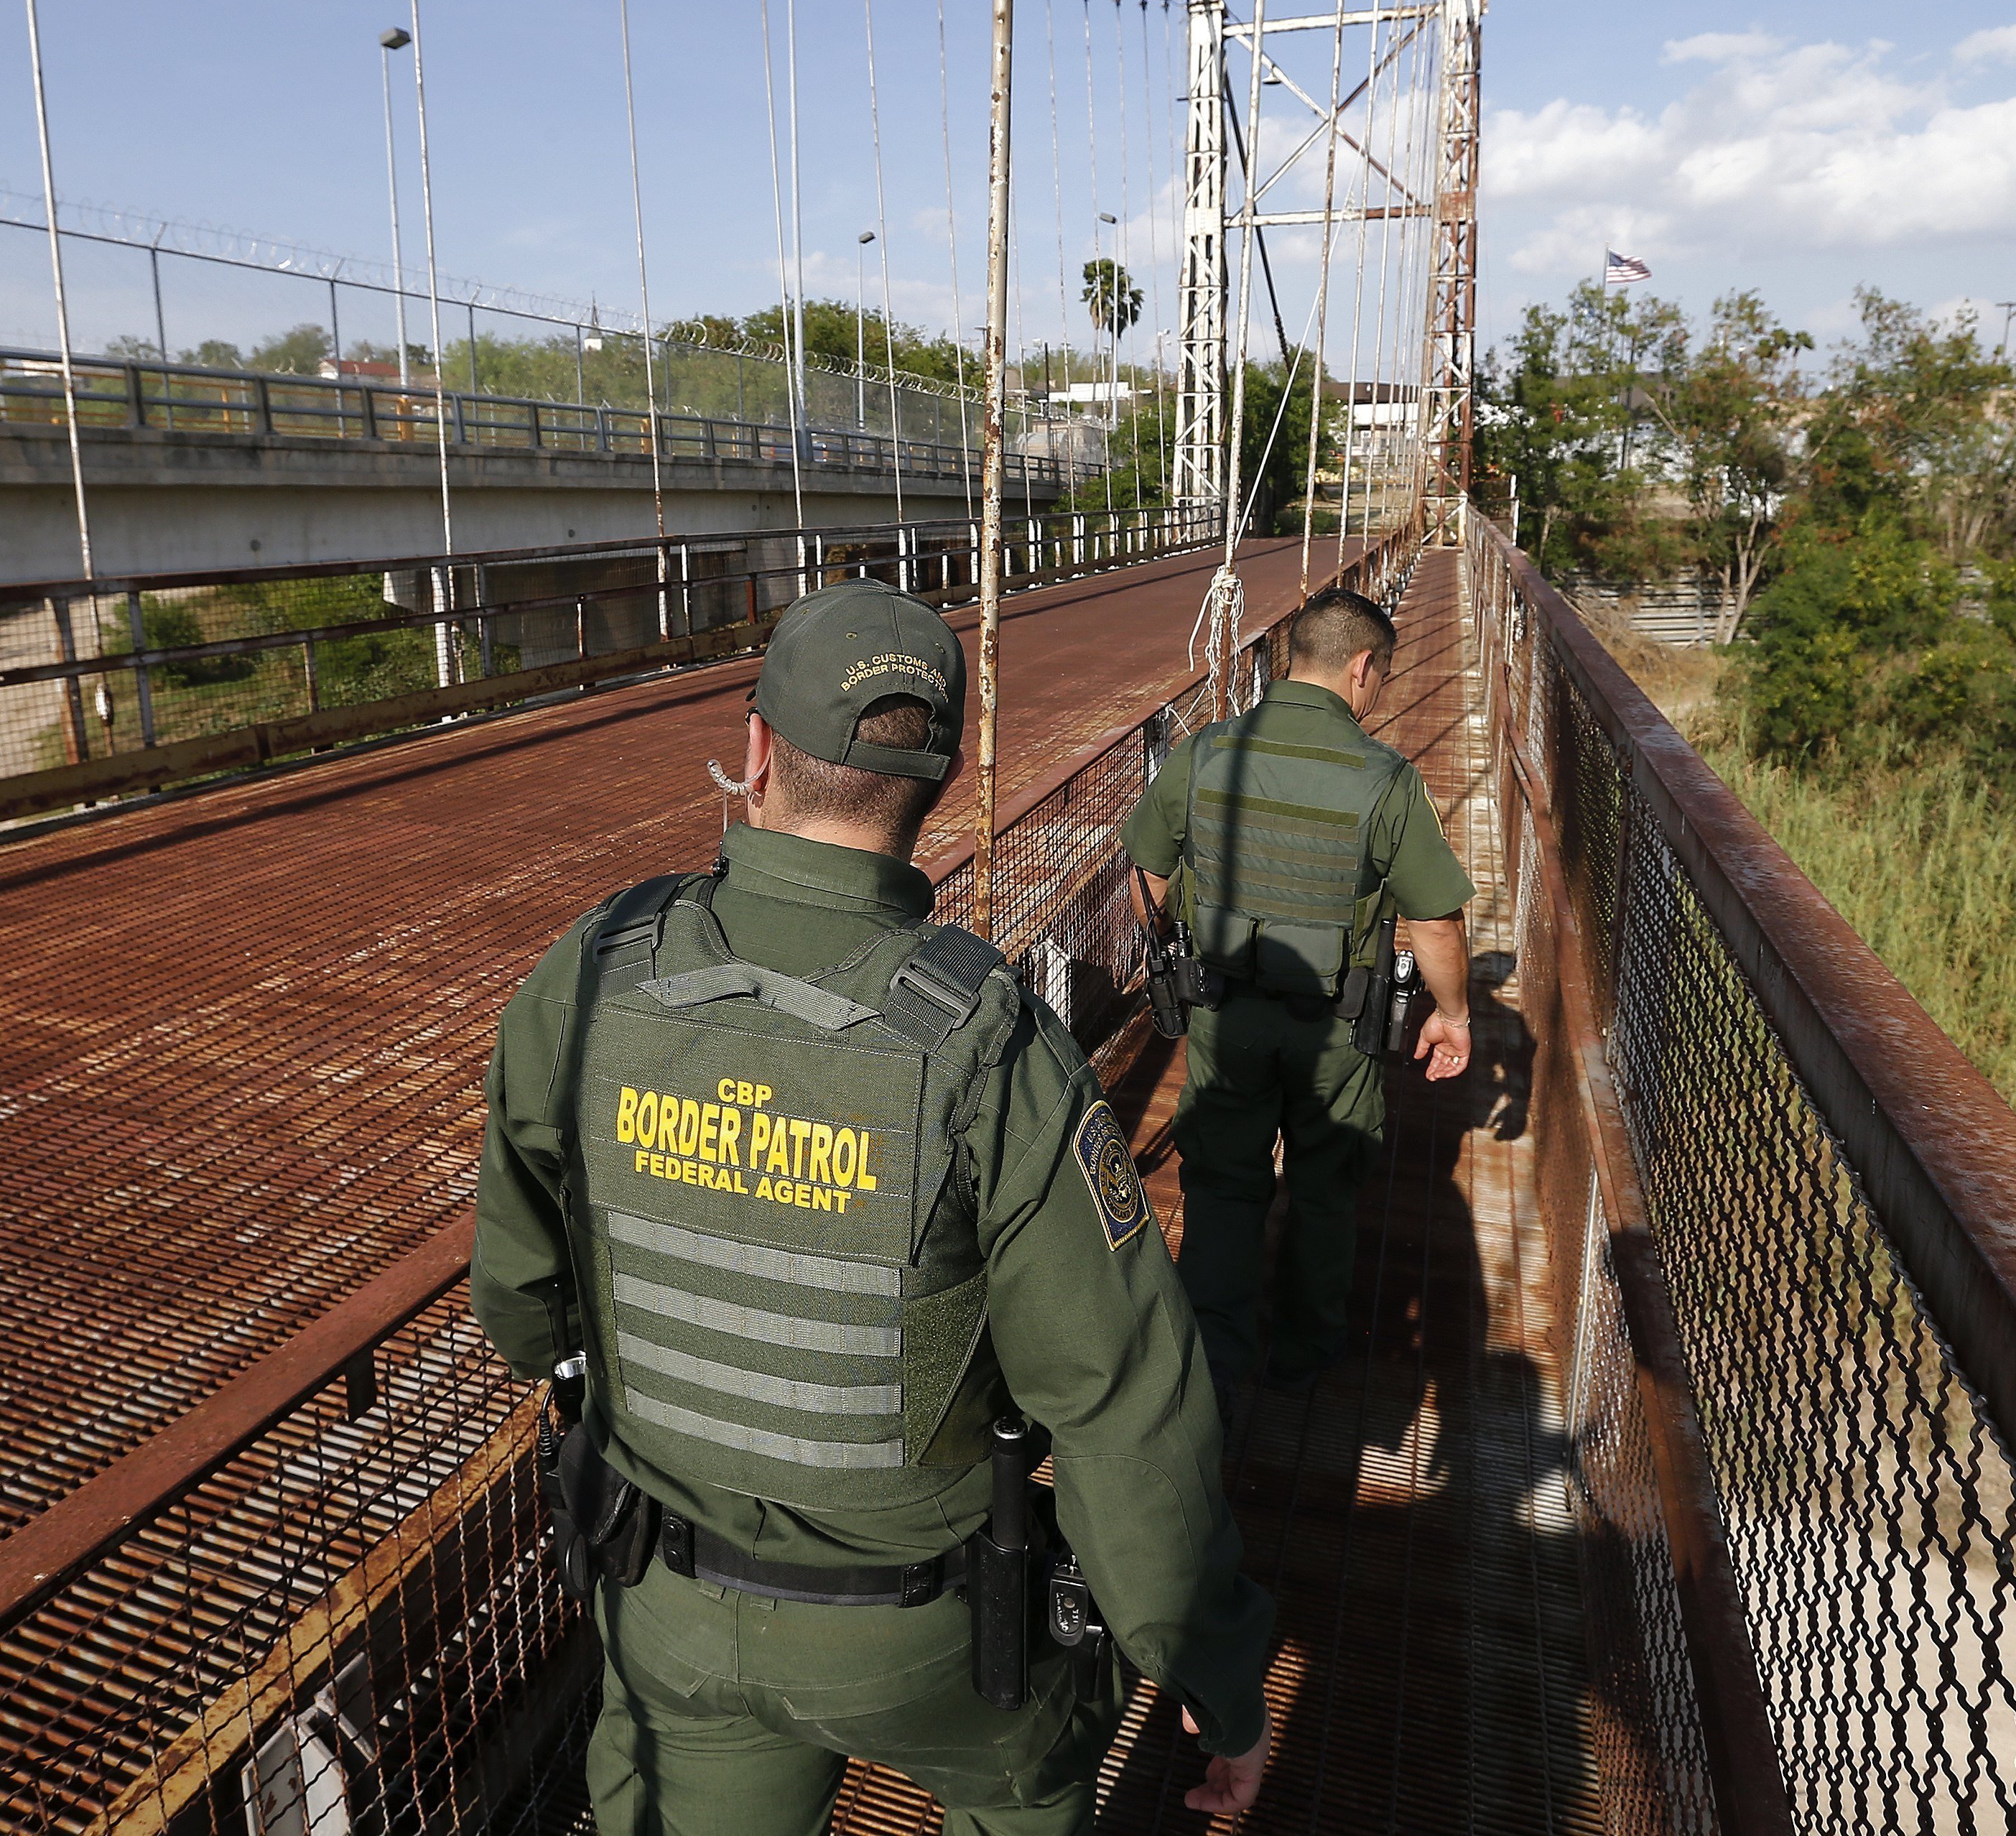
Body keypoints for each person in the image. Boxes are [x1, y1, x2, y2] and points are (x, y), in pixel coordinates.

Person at [472, 579, 1276, 1836]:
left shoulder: (591, 973)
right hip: (939, 1636)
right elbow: (1126, 1414)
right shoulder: (988, 1044)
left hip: (665, 1601)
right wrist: (1221, 1684)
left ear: (752, 757)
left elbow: (521, 1306)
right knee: (1029, 1778)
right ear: (939, 786)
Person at [1123, 585, 1475, 1410]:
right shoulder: (1388, 779)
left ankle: (1213, 1357)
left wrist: (1194, 936)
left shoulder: (1207, 752)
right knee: (1324, 1187)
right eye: (1381, 677)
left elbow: (1148, 869)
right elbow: (1435, 922)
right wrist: (1453, 1015)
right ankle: (1306, 1354)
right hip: (1338, 1029)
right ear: (1362, 668)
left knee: (1223, 1181)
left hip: (1223, 1012)